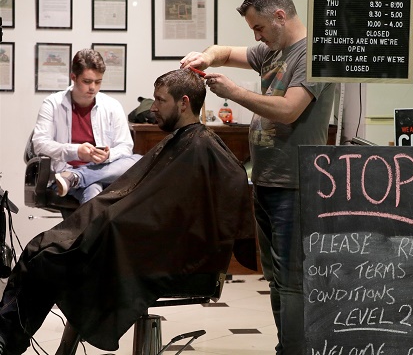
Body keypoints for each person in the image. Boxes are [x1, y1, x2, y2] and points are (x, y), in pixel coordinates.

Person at [0, 68, 256, 355]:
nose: (153, 108)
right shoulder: (187, 141)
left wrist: (108, 224)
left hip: (168, 261)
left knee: (45, 259)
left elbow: (216, 191)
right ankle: (15, 342)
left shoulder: (200, 146)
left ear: (184, 103)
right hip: (150, 248)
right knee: (40, 249)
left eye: (160, 101)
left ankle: (6, 343)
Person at [180, 0, 338, 354]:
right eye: (254, 31)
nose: (256, 37)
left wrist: (233, 92)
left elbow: (289, 109)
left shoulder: (314, 55)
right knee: (276, 278)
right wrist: (204, 58)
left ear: (280, 16)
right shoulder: (273, 50)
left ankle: (294, 350)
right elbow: (223, 51)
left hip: (295, 184)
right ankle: (287, 346)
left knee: (293, 281)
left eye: (260, 28)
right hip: (266, 180)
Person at [31, 48, 141, 204]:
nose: (93, 88)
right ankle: (75, 177)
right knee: (93, 189)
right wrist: (76, 152)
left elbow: (125, 147)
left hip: (102, 170)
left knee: (137, 161)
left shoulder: (112, 106)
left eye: (98, 82)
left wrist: (108, 155)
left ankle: (77, 177)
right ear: (73, 77)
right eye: (87, 81)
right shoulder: (52, 104)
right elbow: (40, 144)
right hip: (65, 171)